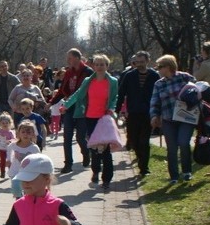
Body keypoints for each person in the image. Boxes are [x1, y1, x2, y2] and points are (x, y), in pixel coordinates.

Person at [63, 54, 119, 190]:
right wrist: (66, 105)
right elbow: (78, 94)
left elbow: (114, 98)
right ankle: (95, 171)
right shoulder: (88, 80)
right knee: (94, 147)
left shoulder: (112, 81)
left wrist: (111, 109)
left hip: (104, 118)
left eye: (102, 64)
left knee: (105, 149)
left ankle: (106, 179)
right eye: (97, 64)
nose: (99, 67)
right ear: (93, 66)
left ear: (107, 66)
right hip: (89, 117)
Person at [150, 55, 198, 183]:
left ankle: (187, 171)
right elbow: (155, 101)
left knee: (183, 142)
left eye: (160, 67)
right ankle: (174, 176)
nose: (158, 69)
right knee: (171, 148)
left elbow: (198, 90)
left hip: (186, 118)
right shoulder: (159, 84)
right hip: (168, 119)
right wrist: (154, 115)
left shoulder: (185, 77)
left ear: (168, 66)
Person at [115, 50, 160, 177]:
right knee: (133, 140)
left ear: (147, 61)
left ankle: (144, 168)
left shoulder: (154, 76)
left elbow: (159, 95)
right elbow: (121, 93)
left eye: (142, 62)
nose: (139, 64)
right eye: (137, 62)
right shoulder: (129, 76)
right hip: (133, 113)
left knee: (144, 141)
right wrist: (116, 111)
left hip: (148, 113)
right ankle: (140, 158)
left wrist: (158, 112)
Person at [51, 48, 92, 173]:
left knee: (80, 137)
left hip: (82, 108)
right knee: (67, 137)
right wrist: (51, 103)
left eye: (70, 58)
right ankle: (68, 164)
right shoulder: (68, 72)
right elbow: (62, 89)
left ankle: (86, 153)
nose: (68, 60)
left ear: (77, 58)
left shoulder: (87, 72)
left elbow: (85, 92)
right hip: (68, 107)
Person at [6, 121, 41, 198]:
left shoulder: (34, 148)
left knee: (27, 192)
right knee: (16, 189)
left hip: (28, 173)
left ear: (32, 134)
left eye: (28, 132)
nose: (25, 134)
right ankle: (19, 202)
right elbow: (9, 149)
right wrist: (8, 160)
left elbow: (39, 159)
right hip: (15, 171)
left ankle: (27, 202)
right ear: (18, 133)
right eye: (23, 132)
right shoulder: (13, 145)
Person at [0, 113, 15, 179]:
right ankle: (2, 172)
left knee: (9, 161)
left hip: (9, 149)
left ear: (9, 123)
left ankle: (11, 171)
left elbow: (14, 139)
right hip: (2, 149)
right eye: (3, 123)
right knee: (2, 160)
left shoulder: (10, 132)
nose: (5, 124)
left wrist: (10, 141)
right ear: (0, 124)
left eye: (6, 123)